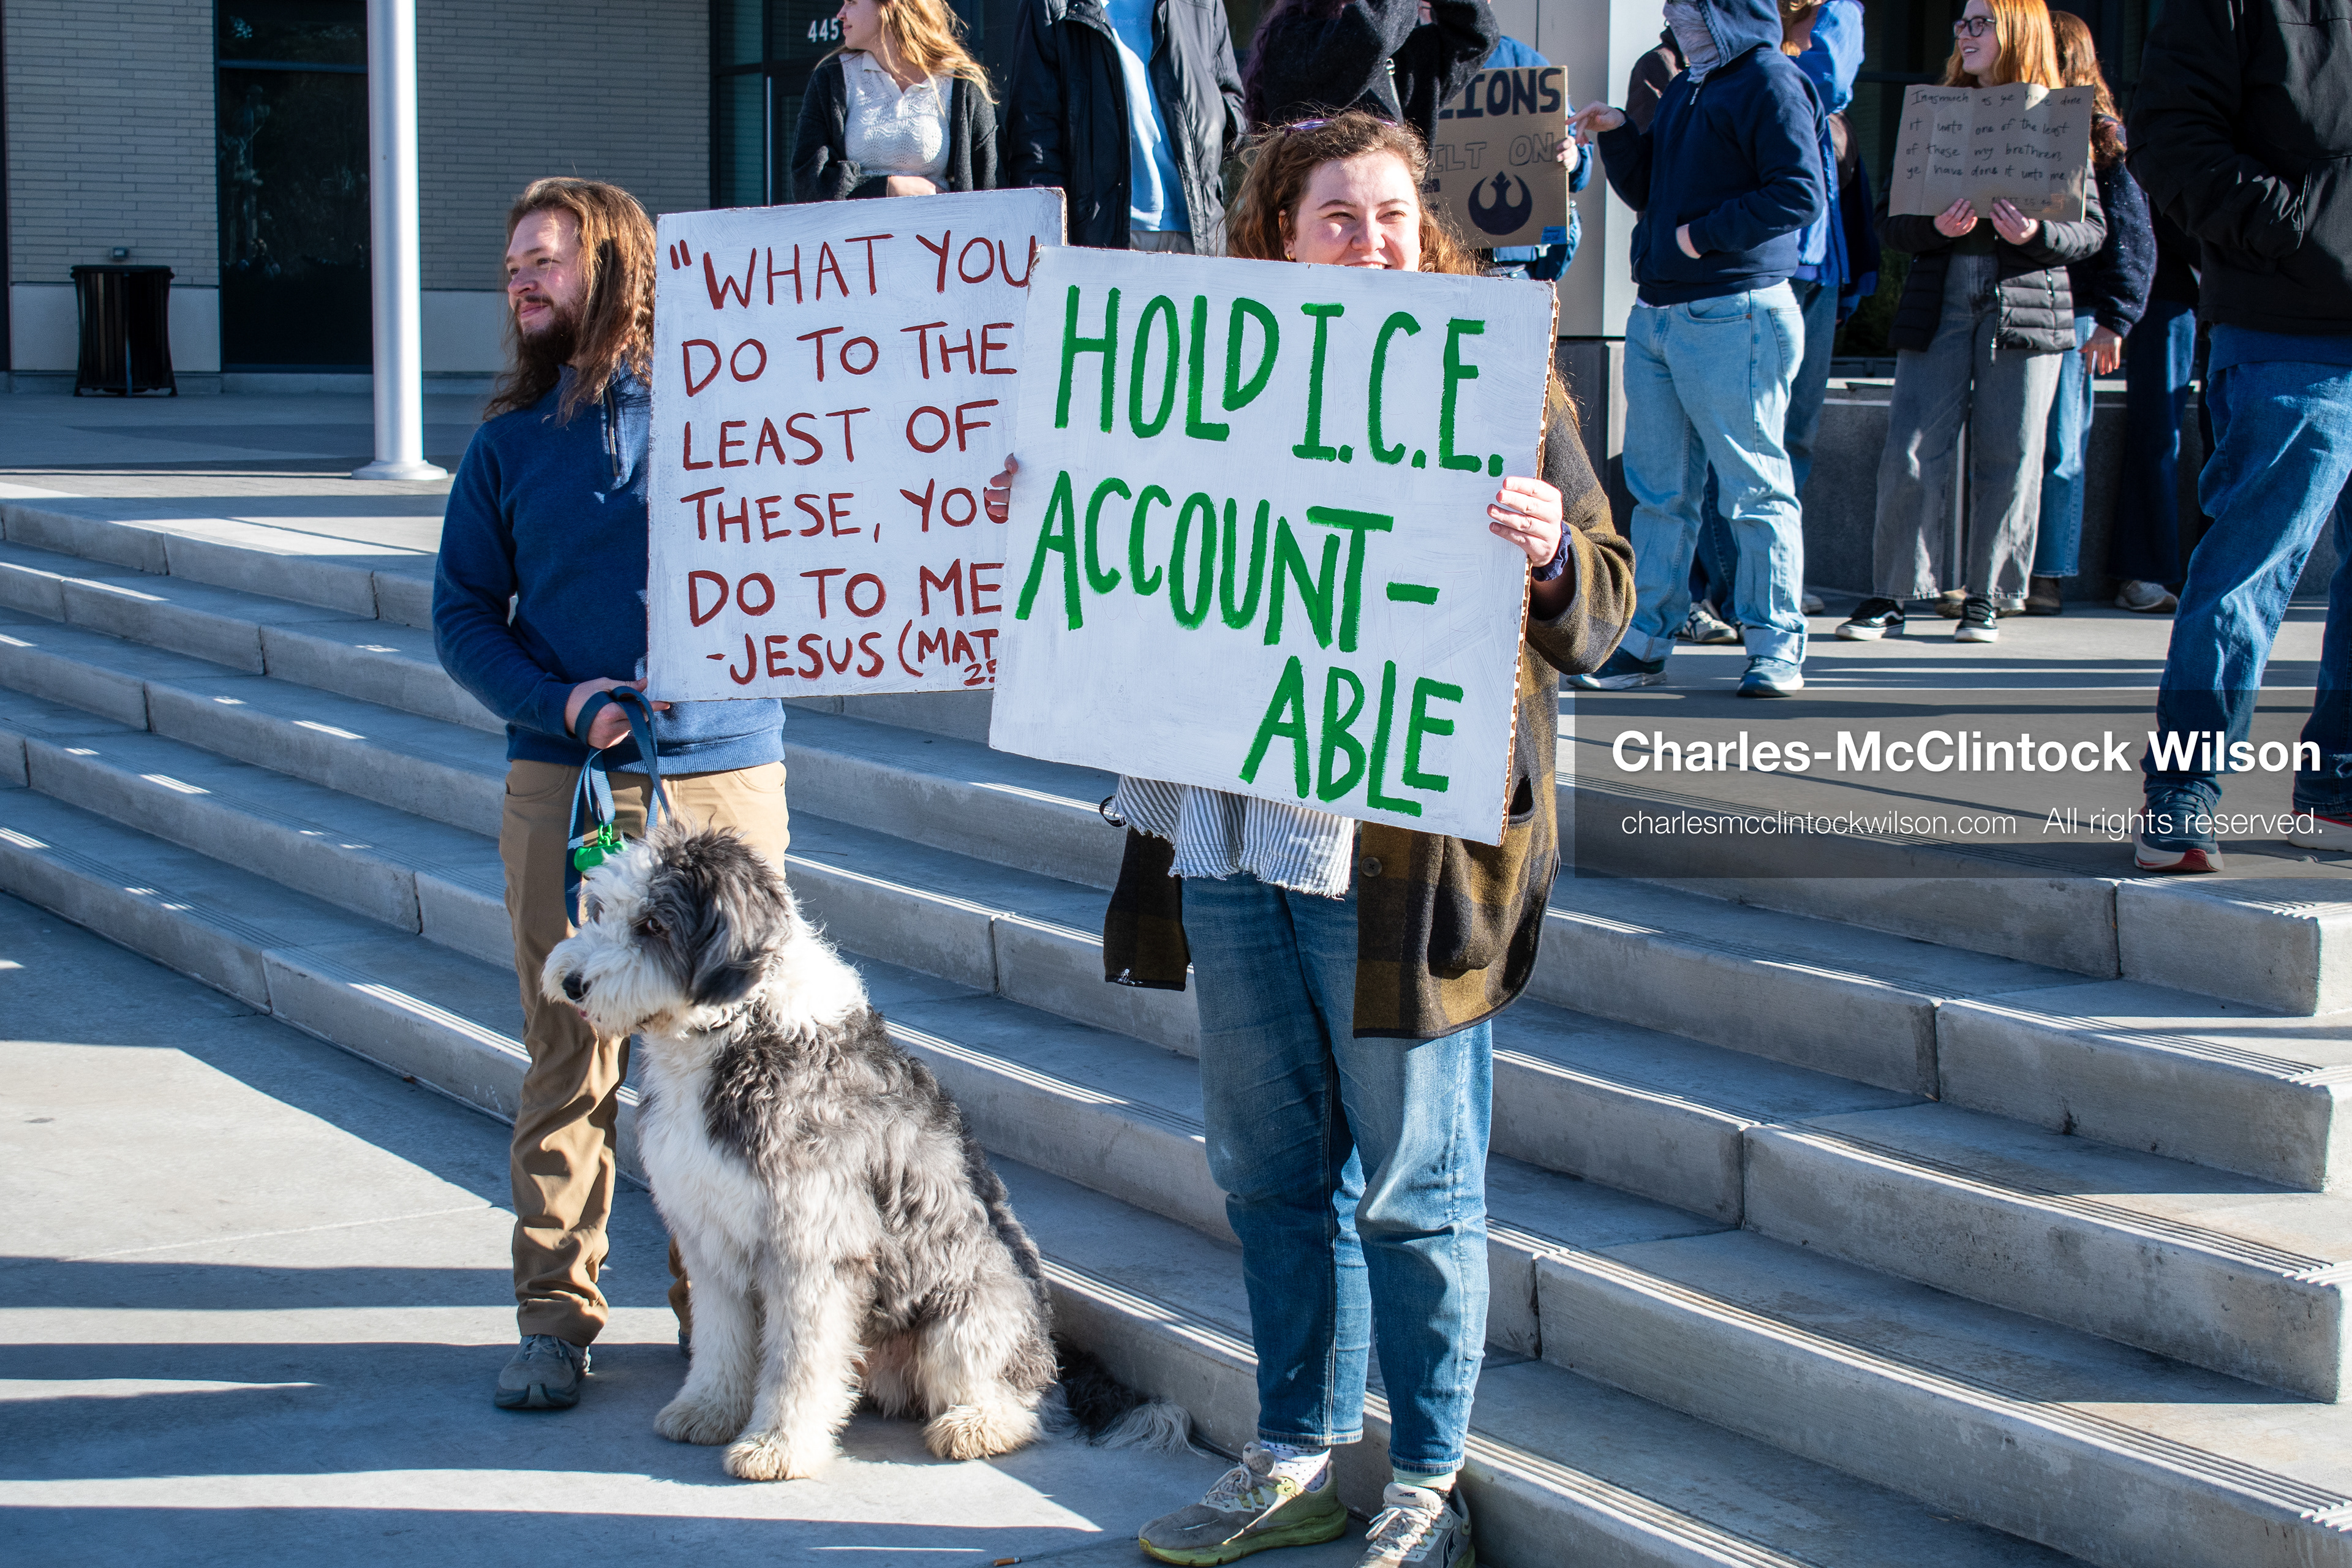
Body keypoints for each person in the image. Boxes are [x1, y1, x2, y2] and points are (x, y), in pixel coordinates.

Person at [981, 111, 1632, 1568]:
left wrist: (1542, 552)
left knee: (1413, 1183)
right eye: (1335, 215)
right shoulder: (1183, 386)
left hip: (1397, 859)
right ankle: (1296, 1451)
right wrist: (1050, 509)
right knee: (1271, 1168)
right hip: (1226, 836)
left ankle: (1428, 1473)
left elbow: (1607, 597)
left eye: (1393, 214)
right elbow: (1116, 561)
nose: (1371, 239)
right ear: (1274, 232)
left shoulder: (1497, 376)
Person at [433, 179, 794, 1409]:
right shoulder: (505, 445)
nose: (521, 279)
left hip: (727, 779)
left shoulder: (738, 413)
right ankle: (554, 1315)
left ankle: (721, 1316)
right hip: (567, 783)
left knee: (738, 1060)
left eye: (546, 258)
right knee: (567, 1054)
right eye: (513, 262)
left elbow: (840, 518)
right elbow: (462, 615)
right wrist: (563, 702)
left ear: (619, 267)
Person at [2128, 0, 2352, 865]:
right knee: (2248, 572)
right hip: (2288, 329)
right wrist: (2287, 226)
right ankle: (2183, 789)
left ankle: (2338, 782)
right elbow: (2169, 134)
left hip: (2297, 307)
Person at [1567, 0, 1826, 698]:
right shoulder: (1688, 85)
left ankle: (1777, 646)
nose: (1675, 17)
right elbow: (1652, 189)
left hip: (1733, 310)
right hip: (1661, 313)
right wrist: (1620, 135)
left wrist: (1698, 238)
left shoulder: (1770, 78)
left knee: (1754, 489)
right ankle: (1645, 641)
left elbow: (1800, 192)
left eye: (1690, 7)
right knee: (1659, 495)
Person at [1835, 0, 2105, 646]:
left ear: (2016, 30)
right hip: (1943, 295)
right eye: (1961, 21)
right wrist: (1937, 227)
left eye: (1980, 21)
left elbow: (2091, 231)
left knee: (2010, 453)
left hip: (2028, 299)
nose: (1964, 31)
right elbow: (1889, 221)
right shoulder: (1935, 112)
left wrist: (2037, 231)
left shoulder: (2057, 116)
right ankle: (1896, 592)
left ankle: (1989, 595)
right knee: (1909, 448)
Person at [1679, 0, 1863, 646]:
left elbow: (1832, 87)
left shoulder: (1797, 58)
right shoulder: (1722, 74)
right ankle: (1731, 593)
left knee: (1782, 452)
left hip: (1803, 271)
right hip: (1743, 277)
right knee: (1728, 462)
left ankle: (1766, 604)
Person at [2022, 10, 2153, 616]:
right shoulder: (2018, 120)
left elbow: (2132, 236)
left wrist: (2115, 320)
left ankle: (2048, 572)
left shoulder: (2102, 133)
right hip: (2020, 301)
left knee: (2061, 446)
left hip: (2078, 313)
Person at [1004, 0, 1245, 252]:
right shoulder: (1052, 4)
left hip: (1197, 228)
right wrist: (1051, 243)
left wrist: (1209, 135)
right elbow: (1035, 138)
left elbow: (1231, 98)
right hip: (1100, 234)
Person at [791, 0, 1000, 200]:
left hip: (938, 235)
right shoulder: (831, 78)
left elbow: (992, 184)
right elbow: (807, 182)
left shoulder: (962, 84)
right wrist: (888, 188)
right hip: (857, 236)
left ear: (889, 5)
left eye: (852, 2)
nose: (840, 14)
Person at [2106, 211, 2200, 615]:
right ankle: (2144, 571)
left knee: (2231, 444)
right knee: (2158, 436)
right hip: (2167, 291)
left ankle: (2211, 575)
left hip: (2242, 298)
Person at [1242, 0, 1495, 148]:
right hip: (1328, 229)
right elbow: (1371, 37)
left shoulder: (1400, 48)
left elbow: (1476, 36)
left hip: (1391, 227)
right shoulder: (1294, 41)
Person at [1482, 32, 1591, 282]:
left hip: (1510, 267)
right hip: (1433, 260)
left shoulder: (1525, 63)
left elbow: (1581, 166)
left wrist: (1572, 157)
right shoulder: (1411, 56)